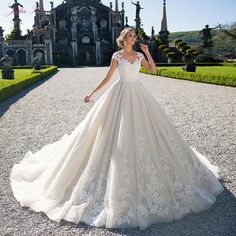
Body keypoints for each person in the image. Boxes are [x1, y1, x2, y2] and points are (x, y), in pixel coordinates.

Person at [10, 27, 224, 231]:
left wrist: (148, 53)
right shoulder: (117, 56)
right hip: (119, 94)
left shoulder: (140, 56)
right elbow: (108, 77)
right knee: (108, 133)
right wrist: (92, 94)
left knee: (151, 132)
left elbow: (154, 70)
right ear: (123, 39)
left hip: (138, 95)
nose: (133, 38)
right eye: (130, 36)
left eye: (134, 36)